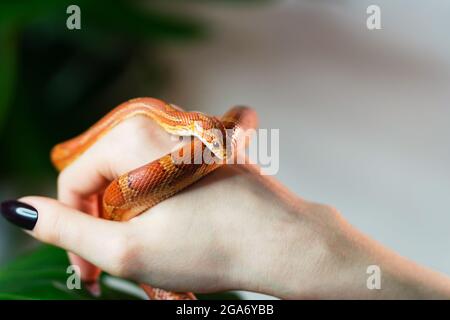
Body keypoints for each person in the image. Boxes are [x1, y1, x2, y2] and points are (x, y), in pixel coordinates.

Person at [2, 115, 450, 299]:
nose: (217, 150)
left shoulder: (202, 135)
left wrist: (306, 241)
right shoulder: (181, 124)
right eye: (212, 143)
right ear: (194, 126)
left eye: (218, 143)